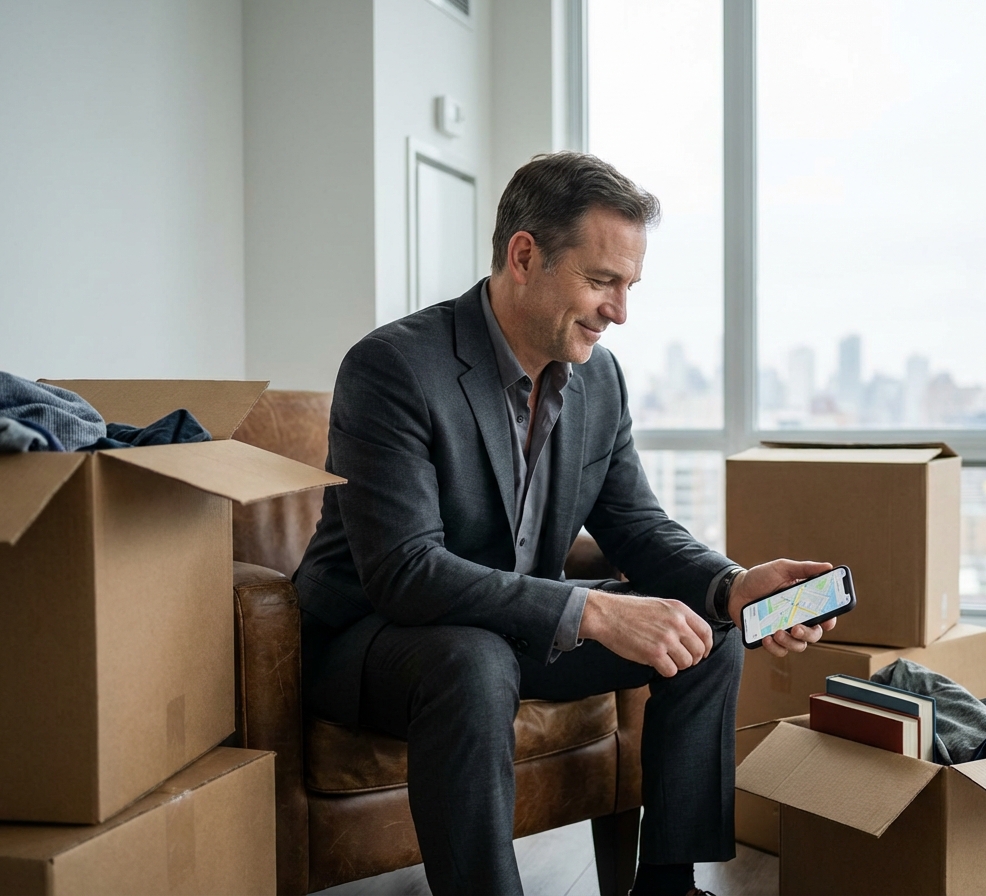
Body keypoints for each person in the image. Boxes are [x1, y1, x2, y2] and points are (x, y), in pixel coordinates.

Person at [294, 152, 835, 896]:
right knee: (472, 659)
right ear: (525, 255)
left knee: (700, 638)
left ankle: (669, 886)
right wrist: (592, 609)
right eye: (602, 280)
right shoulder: (393, 367)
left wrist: (734, 586)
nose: (620, 311)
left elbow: (637, 524)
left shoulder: (599, 381)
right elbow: (405, 572)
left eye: (629, 286)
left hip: (512, 629)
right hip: (379, 641)